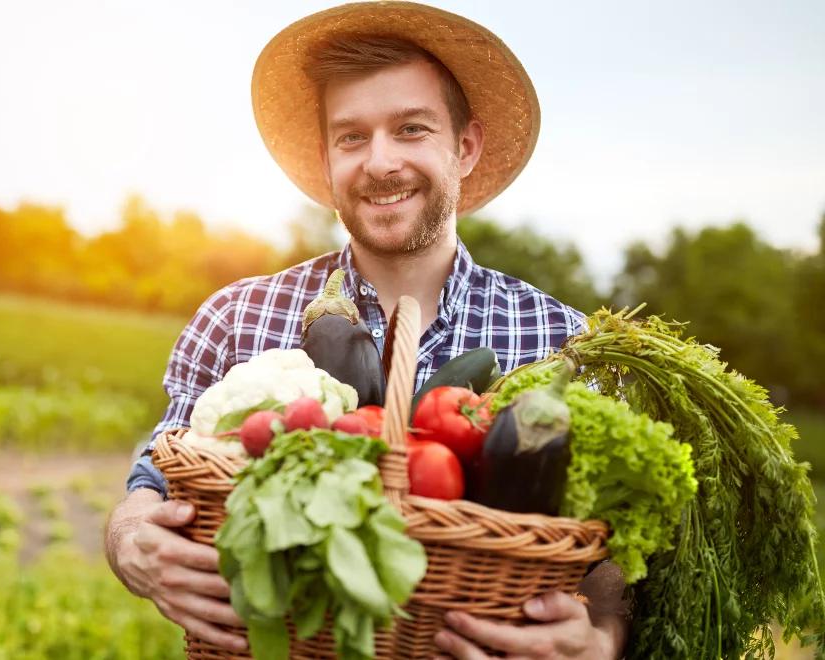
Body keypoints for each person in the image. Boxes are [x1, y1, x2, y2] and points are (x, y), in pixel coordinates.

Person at [105, 3, 629, 657]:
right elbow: (152, 483)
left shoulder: (564, 341)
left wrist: (603, 638)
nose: (380, 163)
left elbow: (617, 555)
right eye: (351, 137)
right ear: (327, 160)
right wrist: (130, 541)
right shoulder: (235, 318)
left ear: (464, 147)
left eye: (411, 129)